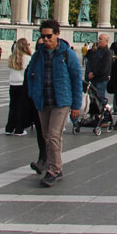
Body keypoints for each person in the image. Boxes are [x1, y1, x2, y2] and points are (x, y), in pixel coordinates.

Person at [26, 20, 84, 187]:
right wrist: (33, 94)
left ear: (57, 34)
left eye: (48, 36)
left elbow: (76, 79)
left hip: (61, 101)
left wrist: (76, 105)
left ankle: (55, 170)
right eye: (43, 36)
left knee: (53, 135)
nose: (45, 39)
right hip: (43, 101)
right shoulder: (38, 55)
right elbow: (30, 75)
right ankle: (51, 165)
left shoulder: (68, 54)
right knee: (46, 136)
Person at [5, 38, 33, 135]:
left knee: (13, 106)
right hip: (22, 84)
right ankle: (19, 128)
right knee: (21, 108)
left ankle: (9, 127)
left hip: (12, 84)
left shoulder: (12, 57)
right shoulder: (28, 58)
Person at [85, 34, 113, 109]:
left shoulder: (107, 52)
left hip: (101, 79)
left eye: (101, 39)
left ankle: (101, 113)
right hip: (94, 78)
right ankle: (94, 114)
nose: (98, 40)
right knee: (92, 98)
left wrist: (94, 73)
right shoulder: (96, 51)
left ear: (106, 41)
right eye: (98, 39)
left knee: (100, 97)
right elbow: (90, 60)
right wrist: (89, 72)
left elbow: (105, 67)